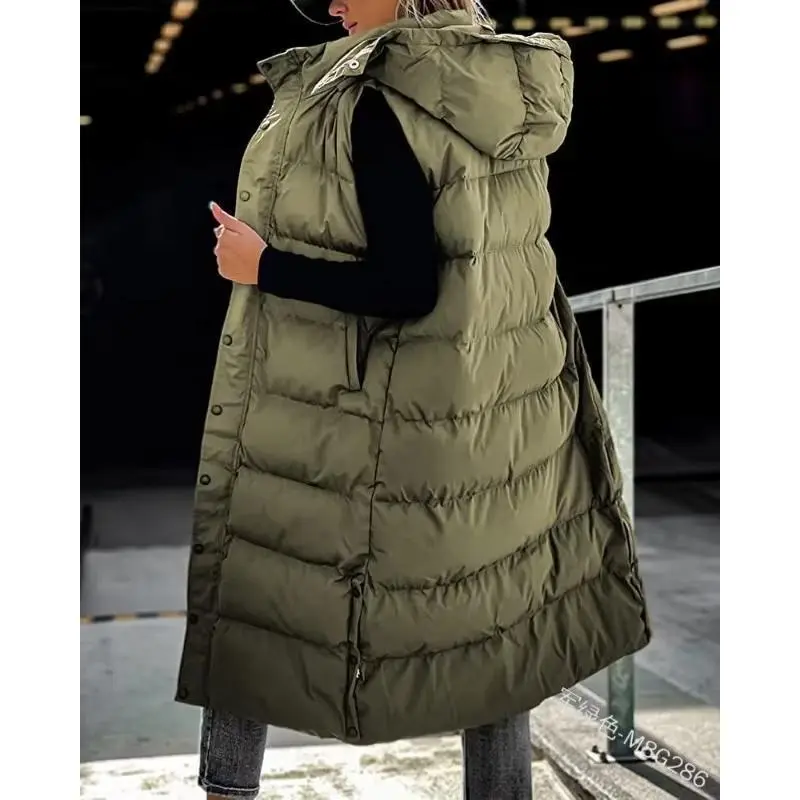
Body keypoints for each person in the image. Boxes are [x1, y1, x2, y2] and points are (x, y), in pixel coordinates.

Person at [176, 1, 652, 797]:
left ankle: (227, 791)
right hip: (502, 412)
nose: (330, 4)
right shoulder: (497, 80)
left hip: (376, 414)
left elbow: (405, 285)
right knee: (493, 628)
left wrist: (262, 266)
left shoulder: (374, 96)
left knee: (256, 587)